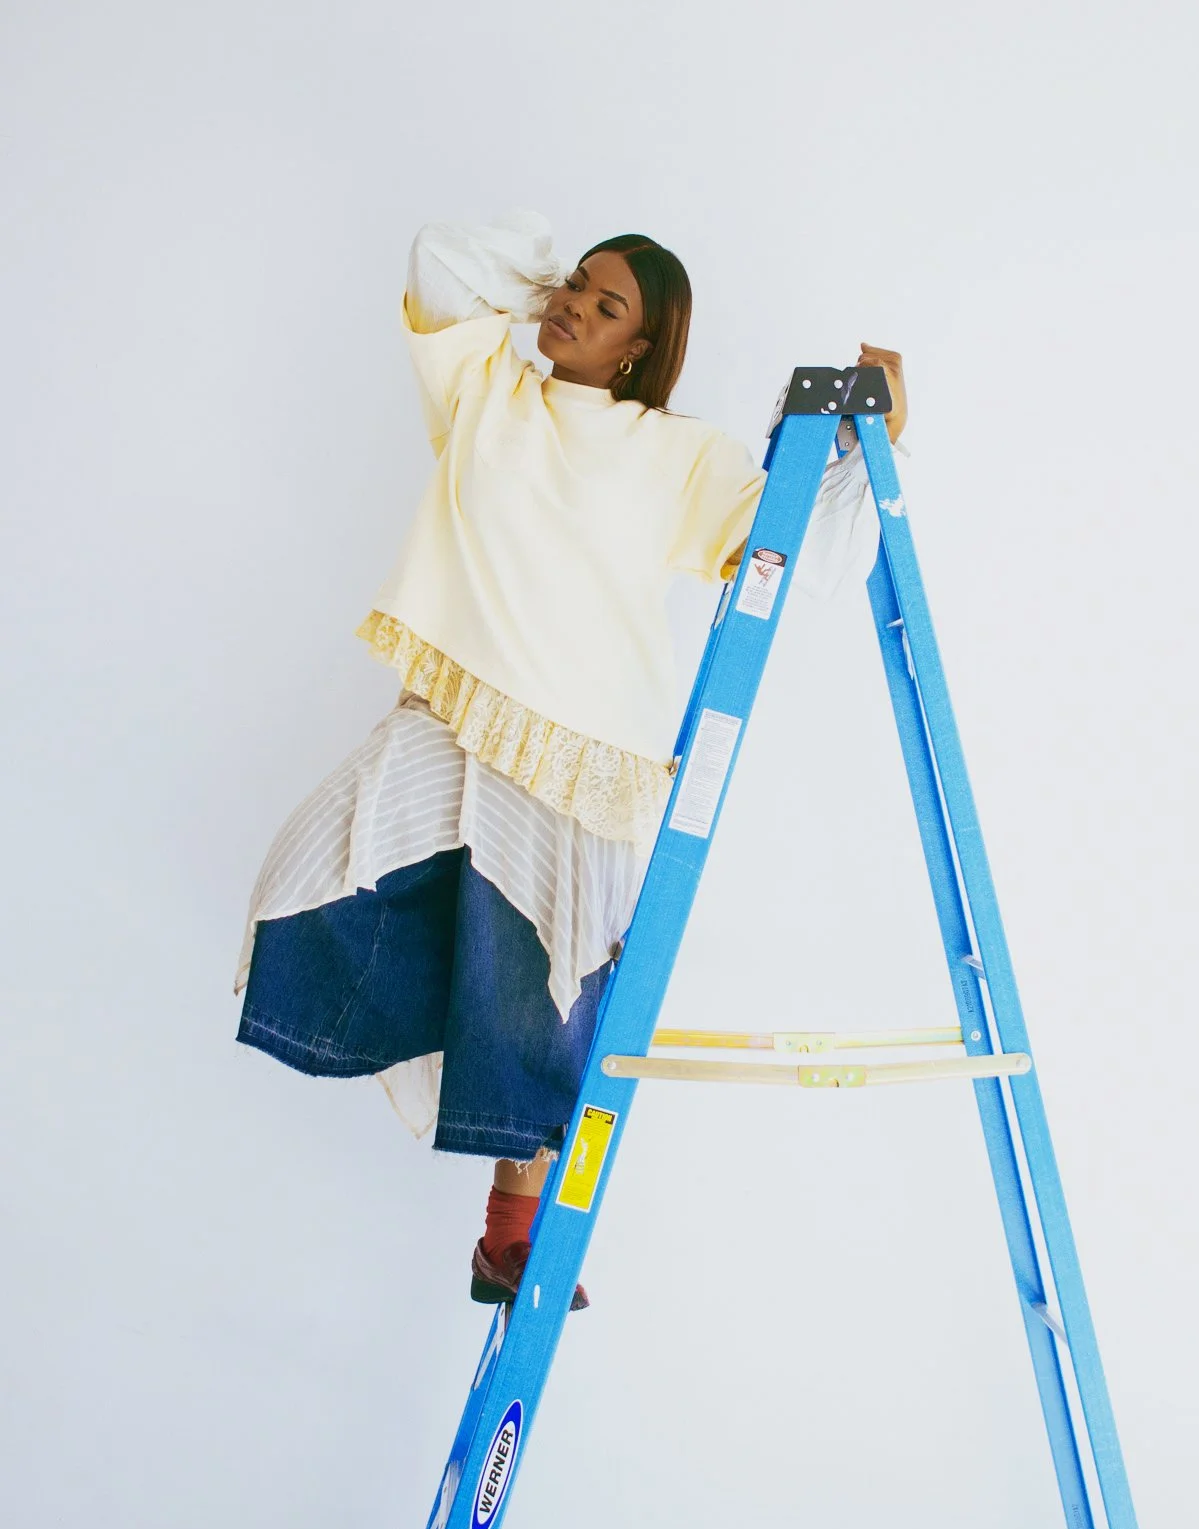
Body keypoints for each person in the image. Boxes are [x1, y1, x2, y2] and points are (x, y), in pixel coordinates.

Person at [235, 209, 908, 1307]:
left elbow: (810, 563)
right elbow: (439, 259)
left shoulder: (680, 455)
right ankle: (429, 1036)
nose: (572, 310)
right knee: (317, 867)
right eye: (574, 289)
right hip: (457, 713)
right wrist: (557, 277)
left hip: (582, 748)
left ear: (640, 348)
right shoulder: (483, 391)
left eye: (606, 308)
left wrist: (877, 444)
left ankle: (508, 1234)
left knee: (543, 989)